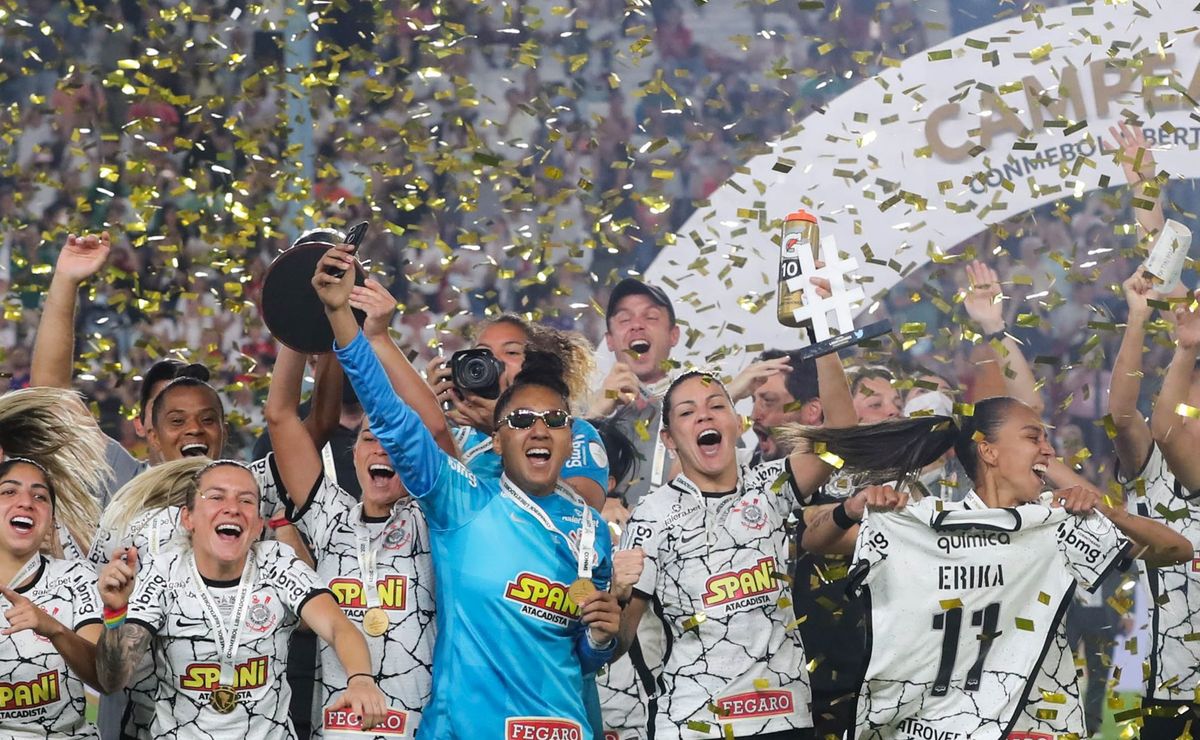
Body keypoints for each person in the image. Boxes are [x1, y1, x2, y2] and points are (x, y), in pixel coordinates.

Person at [315, 244, 623, 738]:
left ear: (572, 436)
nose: (539, 430)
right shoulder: (462, 500)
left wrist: (603, 639)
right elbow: (393, 418)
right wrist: (342, 319)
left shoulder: (592, 531)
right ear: (498, 439)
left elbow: (583, 659)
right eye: (521, 420)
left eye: (555, 420)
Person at [782, 396, 1190, 739]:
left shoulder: (1056, 525)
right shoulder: (927, 522)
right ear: (989, 450)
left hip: (1038, 724)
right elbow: (815, 540)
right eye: (1033, 437)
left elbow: (1176, 549)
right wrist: (851, 508)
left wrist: (1104, 509)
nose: (1047, 449)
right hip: (937, 727)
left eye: (1047, 439)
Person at [617, 344, 858, 739]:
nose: (704, 417)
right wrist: (614, 600)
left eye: (716, 406)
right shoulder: (651, 515)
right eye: (687, 413)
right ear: (669, 438)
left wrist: (827, 343)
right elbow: (620, 640)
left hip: (784, 715)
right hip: (695, 725)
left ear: (736, 422)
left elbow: (844, 436)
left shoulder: (770, 485)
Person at [95, 460, 389, 739]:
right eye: (216, 497)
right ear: (188, 517)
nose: (232, 509)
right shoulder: (163, 571)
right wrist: (116, 612)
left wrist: (361, 679)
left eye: (246, 500)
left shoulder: (277, 562)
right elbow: (112, 680)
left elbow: (337, 626)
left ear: (258, 524)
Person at [265, 341, 437, 738]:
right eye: (370, 439)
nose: (382, 450)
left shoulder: (433, 519)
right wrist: (295, 333)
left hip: (420, 729)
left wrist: (377, 336)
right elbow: (280, 419)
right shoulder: (331, 518)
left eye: (396, 441)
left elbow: (437, 427)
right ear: (355, 452)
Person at [425, 307, 610, 510]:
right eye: (482, 353)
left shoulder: (567, 429)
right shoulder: (455, 435)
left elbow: (586, 508)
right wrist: (425, 415)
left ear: (535, 362)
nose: (495, 362)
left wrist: (505, 428)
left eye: (511, 352)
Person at [591, 278, 682, 508]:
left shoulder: (702, 407)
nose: (637, 325)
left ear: (674, 335)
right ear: (609, 341)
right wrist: (593, 416)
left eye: (650, 317)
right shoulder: (580, 415)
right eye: (624, 319)